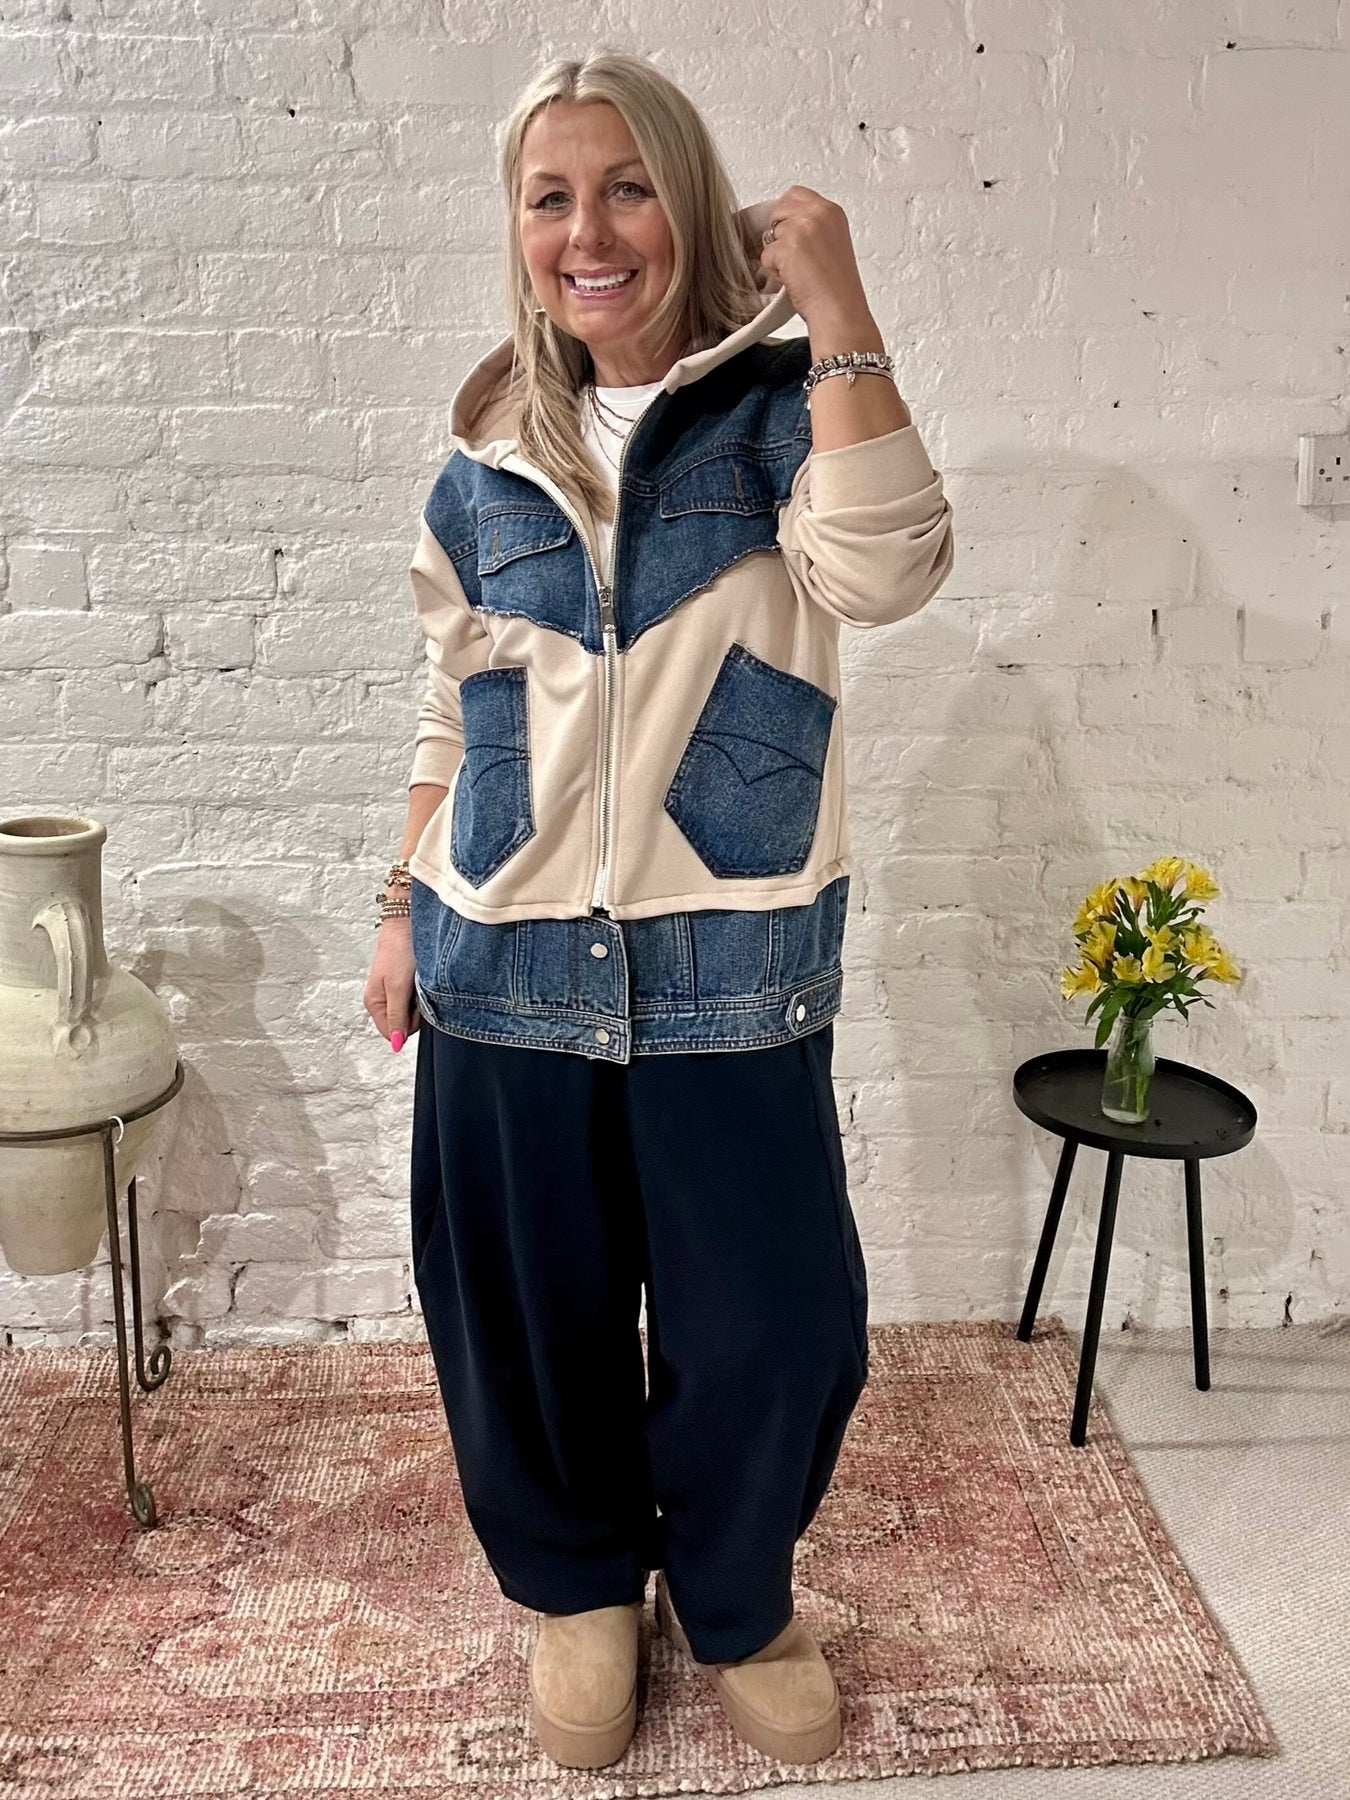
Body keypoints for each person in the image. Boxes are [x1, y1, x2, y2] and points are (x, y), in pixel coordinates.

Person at [363, 47, 954, 1773]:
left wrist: (838, 307)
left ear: (688, 203)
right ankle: (579, 1595)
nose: (587, 231)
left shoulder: (786, 412)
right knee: (520, 1317)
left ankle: (737, 1595)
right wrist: (398, 905)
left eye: (624, 187)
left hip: (729, 963)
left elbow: (886, 572)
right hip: (502, 958)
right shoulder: (483, 454)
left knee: (771, 1322)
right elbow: (450, 702)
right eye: (549, 197)